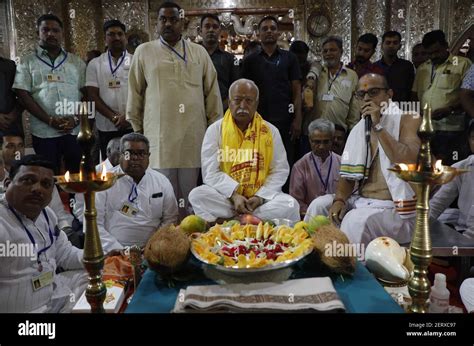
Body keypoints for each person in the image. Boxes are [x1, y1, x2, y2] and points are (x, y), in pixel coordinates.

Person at [127, 1, 222, 219]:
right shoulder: (144, 52)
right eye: (163, 19)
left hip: (193, 137)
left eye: (173, 19)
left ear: (183, 23)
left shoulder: (198, 53)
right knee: (162, 195)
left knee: (191, 196)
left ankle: (190, 238)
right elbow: (135, 94)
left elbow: (213, 94)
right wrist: (137, 131)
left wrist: (214, 131)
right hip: (158, 139)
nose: (168, 24)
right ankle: (165, 237)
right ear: (157, 23)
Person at [305, 73, 422, 247]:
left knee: (354, 220)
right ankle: (313, 258)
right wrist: (339, 200)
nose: (367, 98)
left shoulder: (409, 119)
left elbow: (408, 159)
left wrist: (378, 126)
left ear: (389, 94)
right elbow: (347, 175)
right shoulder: (359, 128)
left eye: (373, 92)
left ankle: (350, 270)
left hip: (396, 209)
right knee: (318, 206)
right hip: (361, 201)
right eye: (361, 94)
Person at [189, 79, 300, 223]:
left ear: (257, 103)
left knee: (290, 204)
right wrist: (235, 196)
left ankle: (236, 219)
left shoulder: (270, 131)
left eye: (249, 100)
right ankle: (251, 219)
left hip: (260, 200)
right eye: (237, 100)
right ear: (229, 102)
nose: (243, 106)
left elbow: (279, 170)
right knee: (197, 195)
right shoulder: (215, 130)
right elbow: (211, 172)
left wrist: (259, 198)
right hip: (227, 198)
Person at [0, 155, 86, 313]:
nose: (38, 189)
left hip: (53, 296)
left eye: (46, 184)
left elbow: (65, 254)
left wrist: (100, 257)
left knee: (93, 275)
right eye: (28, 180)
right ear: (7, 184)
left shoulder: (47, 214)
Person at [13, 14, 85, 174]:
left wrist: (75, 119)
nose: (51, 34)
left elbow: (86, 95)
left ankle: (75, 201)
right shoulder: (27, 62)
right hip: (43, 131)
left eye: (55, 30)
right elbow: (23, 95)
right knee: (47, 174)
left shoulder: (76, 62)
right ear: (37, 32)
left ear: (61, 34)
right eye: (45, 30)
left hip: (73, 130)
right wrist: (49, 120)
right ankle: (52, 200)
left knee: (76, 174)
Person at [95, 133, 178, 253]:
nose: (135, 158)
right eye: (129, 153)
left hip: (153, 250)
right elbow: (93, 223)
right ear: (120, 155)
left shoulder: (161, 181)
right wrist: (117, 249)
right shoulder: (105, 182)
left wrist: (152, 245)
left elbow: (170, 219)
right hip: (112, 251)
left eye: (141, 154)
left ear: (148, 156)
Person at [241, 16, 302, 168]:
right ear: (258, 34)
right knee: (259, 163)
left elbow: (296, 89)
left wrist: (298, 119)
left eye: (273, 28)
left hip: (285, 121)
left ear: (278, 33)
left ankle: (285, 192)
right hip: (257, 121)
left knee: (284, 163)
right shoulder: (250, 60)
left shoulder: (290, 58)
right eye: (265, 29)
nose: (269, 31)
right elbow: (243, 94)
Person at [412, 30, 472, 166]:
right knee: (427, 169)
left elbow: (468, 95)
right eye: (430, 53)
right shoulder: (422, 68)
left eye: (437, 52)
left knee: (450, 168)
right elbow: (415, 95)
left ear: (446, 46)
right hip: (425, 130)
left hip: (452, 129)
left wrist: (449, 109)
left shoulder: (462, 64)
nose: (433, 56)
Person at [0, 130, 75, 235]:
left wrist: (67, 230)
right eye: (10, 146)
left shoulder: (43, 177)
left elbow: (60, 215)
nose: (16, 151)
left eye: (20, 146)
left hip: (46, 231)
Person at [86, 19, 133, 160]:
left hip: (132, 124)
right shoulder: (95, 64)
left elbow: (142, 92)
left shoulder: (136, 60)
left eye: (120, 34)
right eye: (111, 34)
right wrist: (114, 117)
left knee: (132, 162)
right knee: (109, 165)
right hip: (106, 126)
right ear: (105, 39)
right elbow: (92, 94)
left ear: (125, 37)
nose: (116, 37)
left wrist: (128, 116)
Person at [429, 120, 474, 238]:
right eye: (473, 138)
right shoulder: (460, 168)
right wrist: (419, 228)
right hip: (462, 231)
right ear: (469, 140)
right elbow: (437, 204)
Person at [290, 119, 341, 217]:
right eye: (317, 142)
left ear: (332, 139)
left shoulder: (342, 163)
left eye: (326, 142)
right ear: (309, 140)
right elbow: (296, 202)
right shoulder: (300, 166)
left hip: (337, 216)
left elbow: (350, 196)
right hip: (309, 217)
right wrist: (315, 214)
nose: (321, 146)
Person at [312, 36, 359, 131]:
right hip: (315, 130)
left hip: (339, 132)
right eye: (325, 51)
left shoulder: (352, 75)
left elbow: (354, 106)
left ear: (341, 52)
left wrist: (353, 129)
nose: (328, 53)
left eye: (332, 50)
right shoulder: (317, 72)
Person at [200, 14, 240, 111]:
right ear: (200, 31)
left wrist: (221, 107)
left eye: (215, 27)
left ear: (220, 31)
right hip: (196, 110)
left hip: (224, 111)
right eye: (207, 26)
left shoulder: (230, 59)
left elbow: (235, 88)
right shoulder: (191, 56)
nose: (211, 30)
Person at [290, 40, 314, 159]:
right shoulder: (288, 68)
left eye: (302, 53)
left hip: (308, 120)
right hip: (290, 117)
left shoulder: (311, 70)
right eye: (296, 53)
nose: (298, 57)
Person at [374, 31, 415, 102]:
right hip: (379, 108)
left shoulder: (407, 66)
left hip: (402, 108)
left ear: (400, 46)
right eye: (388, 42)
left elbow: (411, 90)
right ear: (382, 46)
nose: (391, 46)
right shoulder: (374, 67)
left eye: (395, 43)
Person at [0, 56, 22, 139]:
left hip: (10, 125)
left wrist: (13, 115)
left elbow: (23, 94)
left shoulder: (10, 65)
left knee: (13, 151)